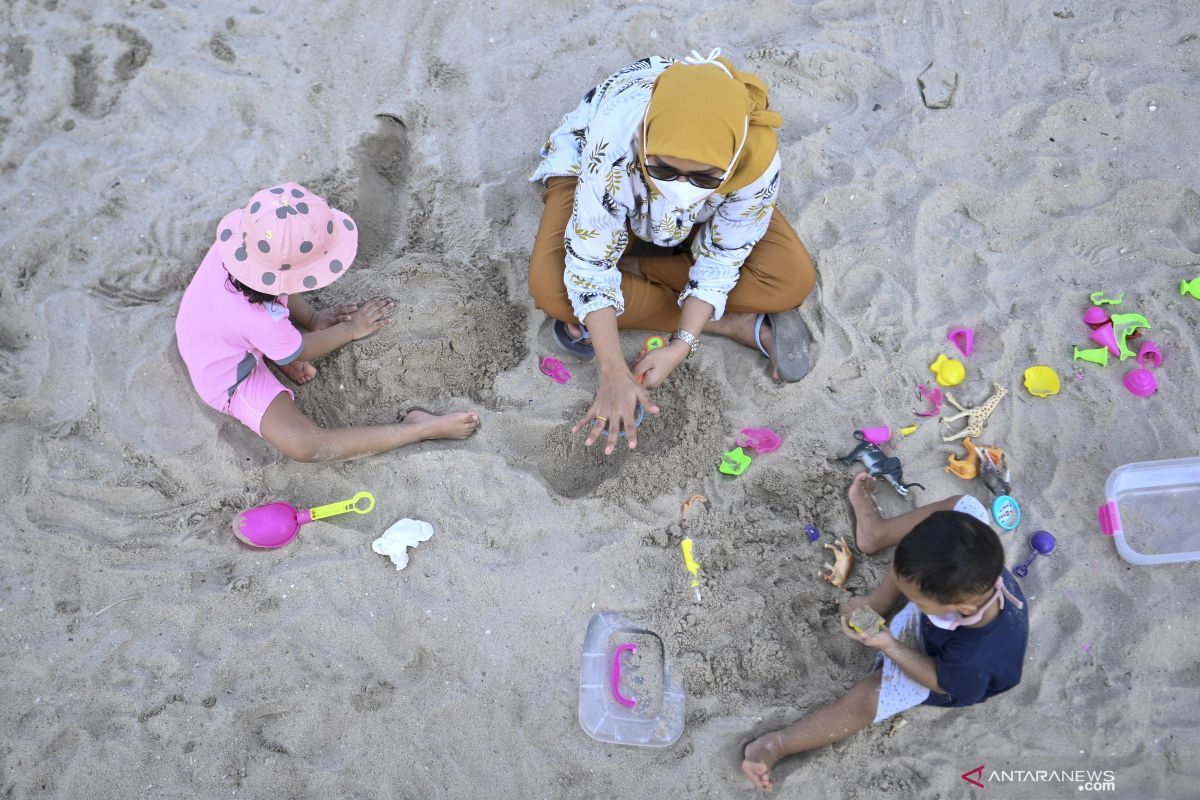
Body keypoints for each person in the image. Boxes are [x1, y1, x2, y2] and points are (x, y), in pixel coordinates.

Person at [529, 49, 818, 453]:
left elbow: (724, 256)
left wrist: (681, 345)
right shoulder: (616, 140)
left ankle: (630, 273)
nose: (680, 187)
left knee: (792, 280)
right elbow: (591, 261)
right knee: (551, 290)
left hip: (694, 221)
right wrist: (612, 370)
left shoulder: (755, 157)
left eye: (703, 176)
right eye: (663, 169)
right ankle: (727, 323)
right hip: (605, 190)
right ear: (645, 139)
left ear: (733, 159)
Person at [741, 473, 1029, 791]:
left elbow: (942, 680)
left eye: (914, 598)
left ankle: (777, 744)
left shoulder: (975, 658)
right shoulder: (970, 570)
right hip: (946, 604)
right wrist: (881, 603)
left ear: (955, 607)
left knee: (870, 698)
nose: (908, 596)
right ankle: (876, 537)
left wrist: (890, 644)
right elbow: (925, 557)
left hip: (939, 670)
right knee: (966, 509)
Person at [175, 182, 479, 462]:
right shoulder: (262, 321)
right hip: (228, 380)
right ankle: (418, 427)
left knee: (273, 322)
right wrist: (349, 329)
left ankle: (272, 352)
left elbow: (274, 284)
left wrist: (313, 318)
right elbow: (301, 350)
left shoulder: (234, 250)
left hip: (207, 329)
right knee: (307, 447)